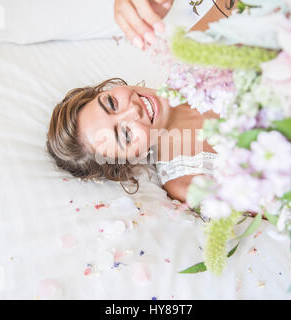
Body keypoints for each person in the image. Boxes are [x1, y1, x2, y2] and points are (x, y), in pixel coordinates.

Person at [46, 1, 236, 203]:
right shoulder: (187, 183)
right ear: (133, 158)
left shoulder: (192, 52)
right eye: (125, 135)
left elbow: (244, 5)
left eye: (111, 104)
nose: (133, 111)